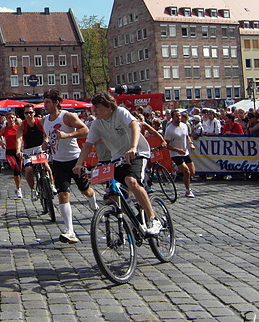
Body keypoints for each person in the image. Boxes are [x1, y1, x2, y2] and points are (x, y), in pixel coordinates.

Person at [74, 92, 162, 236]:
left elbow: (134, 126)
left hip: (137, 153)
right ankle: (129, 220)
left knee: (131, 181)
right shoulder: (97, 123)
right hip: (116, 158)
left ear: (108, 106)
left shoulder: (120, 112)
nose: (94, 111)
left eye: (97, 107)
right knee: (112, 194)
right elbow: (88, 145)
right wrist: (79, 164)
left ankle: (153, 218)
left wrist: (133, 147)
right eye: (93, 108)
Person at [42, 89, 96, 244]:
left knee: (85, 191)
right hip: (58, 162)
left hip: (75, 160)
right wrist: (45, 143)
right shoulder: (44, 120)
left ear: (57, 103)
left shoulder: (67, 116)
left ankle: (93, 201)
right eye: (44, 101)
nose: (45, 105)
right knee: (63, 194)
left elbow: (85, 130)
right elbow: (47, 134)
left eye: (48, 102)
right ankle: (70, 230)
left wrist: (67, 135)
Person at [16, 103, 50, 200]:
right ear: (24, 114)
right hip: (28, 150)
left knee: (46, 166)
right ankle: (33, 190)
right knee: (28, 170)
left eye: (30, 112)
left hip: (40, 147)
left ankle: (51, 185)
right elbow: (18, 139)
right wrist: (18, 151)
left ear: (34, 112)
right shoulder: (22, 125)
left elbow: (47, 133)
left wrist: (45, 142)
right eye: (26, 113)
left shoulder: (40, 121)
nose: (29, 115)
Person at [164, 109, 197, 198]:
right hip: (175, 153)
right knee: (186, 171)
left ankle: (176, 167)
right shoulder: (169, 129)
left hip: (185, 152)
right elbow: (166, 145)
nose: (179, 118)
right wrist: (177, 150)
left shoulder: (184, 125)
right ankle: (188, 190)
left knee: (192, 172)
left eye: (180, 116)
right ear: (172, 117)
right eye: (177, 116)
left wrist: (191, 144)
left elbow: (187, 136)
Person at [0, 112, 23, 198]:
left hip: (18, 151)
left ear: (15, 118)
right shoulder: (4, 129)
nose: (11, 119)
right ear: (6, 119)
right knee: (16, 169)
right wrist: (1, 143)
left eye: (12, 118)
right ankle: (19, 189)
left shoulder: (18, 128)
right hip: (9, 152)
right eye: (9, 118)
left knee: (19, 171)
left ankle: (18, 186)